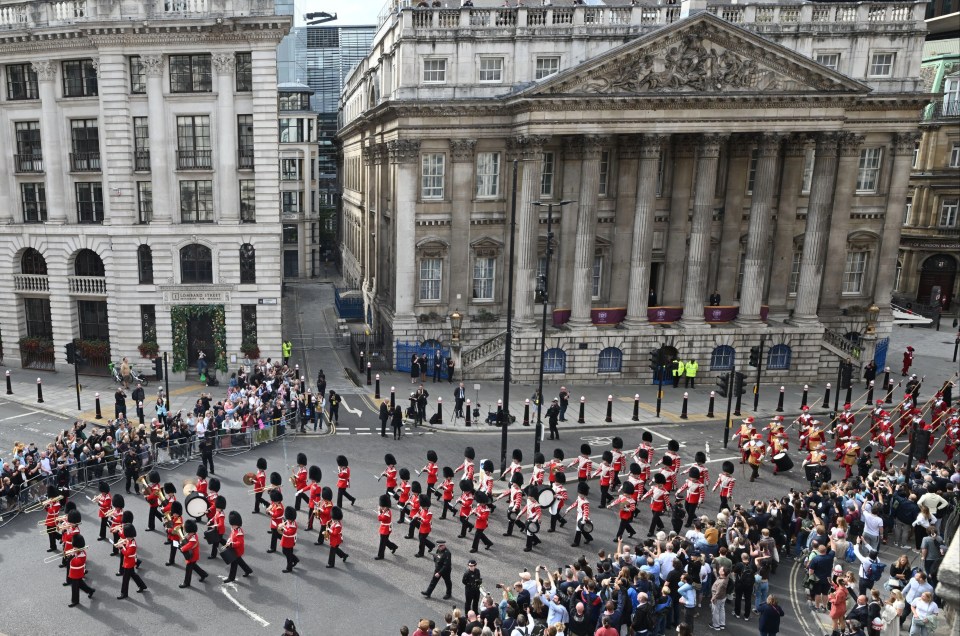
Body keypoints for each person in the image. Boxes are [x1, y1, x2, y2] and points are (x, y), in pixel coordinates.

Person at [117, 524, 147, 599]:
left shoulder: (132, 544)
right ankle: (142, 586)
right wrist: (122, 544)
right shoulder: (130, 540)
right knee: (133, 575)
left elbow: (127, 554)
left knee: (125, 579)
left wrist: (121, 548)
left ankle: (124, 593)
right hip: (128, 562)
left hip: (129, 563)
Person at [223, 511, 253, 582]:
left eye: (233, 525)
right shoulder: (234, 528)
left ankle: (231, 578)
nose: (232, 526)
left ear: (237, 524)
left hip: (237, 550)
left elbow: (240, 542)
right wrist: (228, 541)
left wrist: (232, 544)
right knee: (240, 562)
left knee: (234, 564)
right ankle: (248, 570)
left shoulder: (239, 532)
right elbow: (231, 536)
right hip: (233, 549)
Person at [66, 534, 95, 608]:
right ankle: (90, 590)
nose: (74, 548)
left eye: (75, 547)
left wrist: (72, 555)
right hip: (74, 572)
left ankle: (75, 601)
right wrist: (72, 553)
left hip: (77, 572)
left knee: (75, 587)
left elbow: (76, 562)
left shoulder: (82, 554)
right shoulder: (77, 551)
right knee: (80, 584)